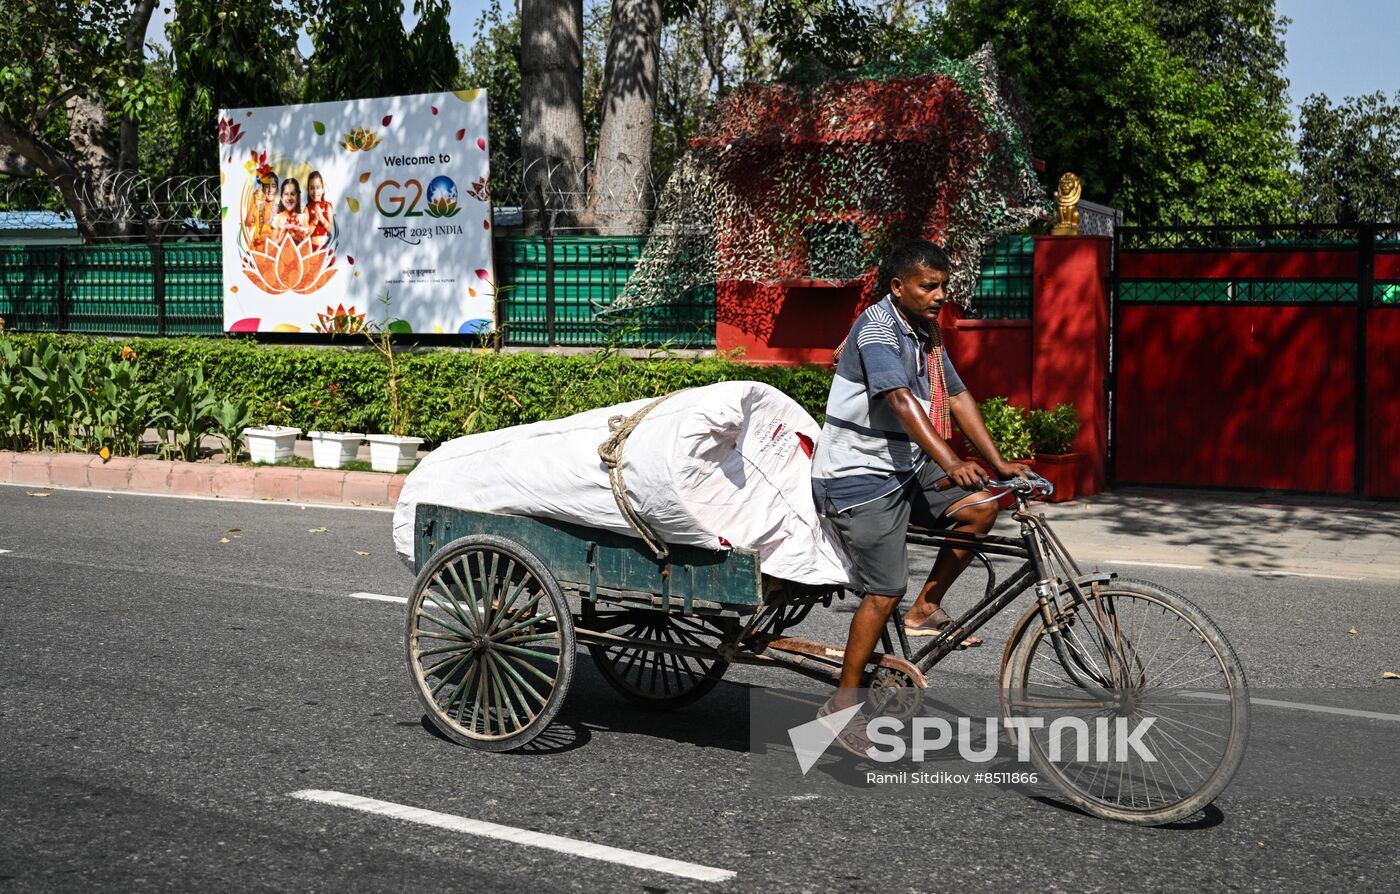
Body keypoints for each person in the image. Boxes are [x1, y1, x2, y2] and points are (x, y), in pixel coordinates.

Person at [811, 239, 1030, 740]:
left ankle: (926, 608)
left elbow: (956, 394)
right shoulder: (877, 330)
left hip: (905, 467)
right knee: (885, 590)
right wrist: (952, 460)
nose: (940, 295)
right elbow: (901, 400)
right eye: (929, 286)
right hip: (858, 477)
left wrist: (996, 462)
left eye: (943, 286)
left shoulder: (924, 332)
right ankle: (843, 704)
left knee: (981, 506)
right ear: (898, 286)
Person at [245, 170, 278, 252]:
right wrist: (255, 204)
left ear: (277, 189)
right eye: (267, 186)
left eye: (273, 186)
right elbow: (247, 223)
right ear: (263, 189)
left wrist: (267, 237)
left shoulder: (280, 209)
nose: (270, 190)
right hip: (258, 249)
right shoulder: (259, 206)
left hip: (272, 250)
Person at [271, 177, 309, 244]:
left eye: (292, 194)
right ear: (281, 198)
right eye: (286, 194)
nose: (289, 198)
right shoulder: (277, 218)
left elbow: (307, 245)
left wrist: (298, 235)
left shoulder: (303, 217)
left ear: (298, 198)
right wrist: (283, 236)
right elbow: (272, 247)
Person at [305, 171, 333, 249]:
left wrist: (322, 218)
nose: (315, 191)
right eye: (312, 188)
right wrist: (315, 220)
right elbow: (306, 234)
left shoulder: (328, 206)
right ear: (308, 190)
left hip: (325, 248)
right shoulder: (307, 209)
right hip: (312, 249)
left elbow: (331, 229)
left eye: (318, 187)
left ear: (323, 189)